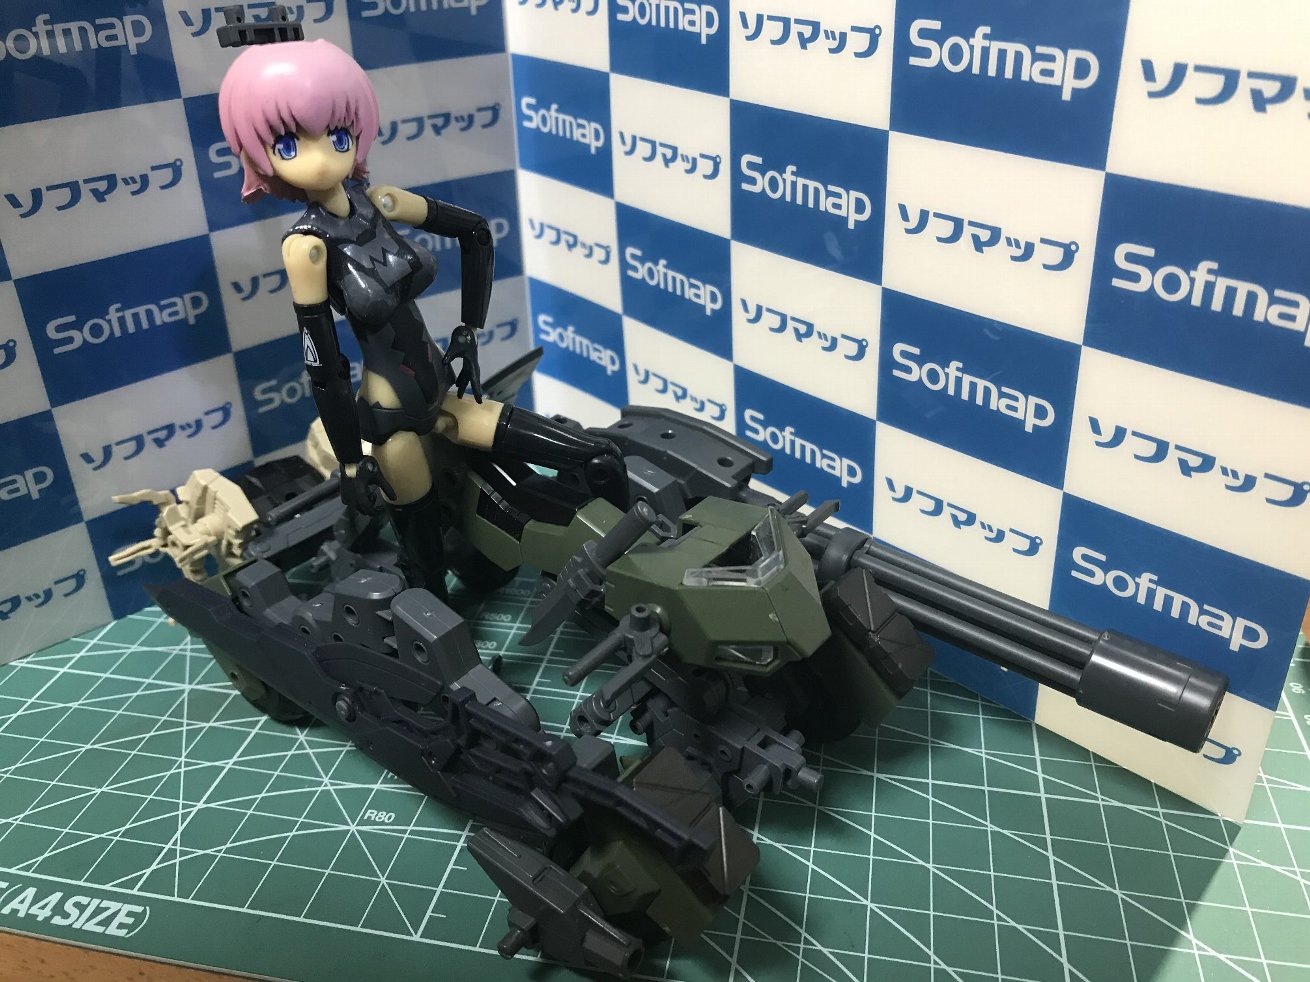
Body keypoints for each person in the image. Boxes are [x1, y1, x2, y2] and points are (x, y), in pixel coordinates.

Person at [218, 39, 625, 595]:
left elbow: (475, 232)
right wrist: (350, 463)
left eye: (338, 134)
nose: (322, 157)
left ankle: (620, 578)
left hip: (446, 395)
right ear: (261, 154)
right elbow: (326, 368)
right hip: (393, 424)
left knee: (598, 458)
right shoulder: (306, 248)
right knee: (428, 575)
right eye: (289, 142)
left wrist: (469, 329)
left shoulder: (382, 201)